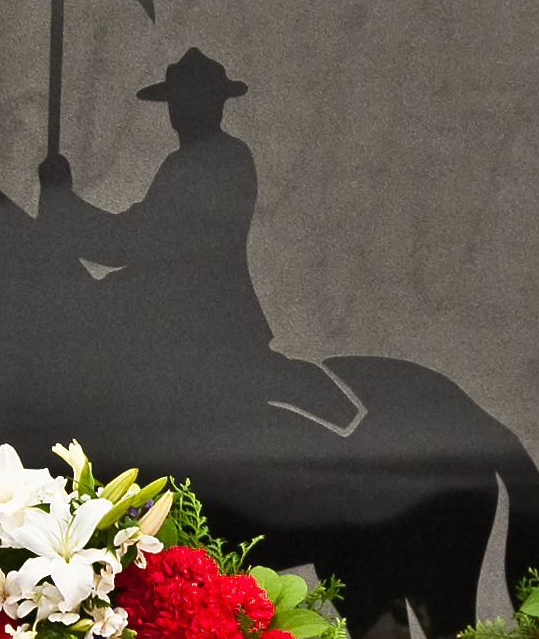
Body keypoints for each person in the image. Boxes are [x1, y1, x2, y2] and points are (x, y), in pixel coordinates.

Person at [38, 47, 349, 428]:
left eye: (186, 102)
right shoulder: (194, 161)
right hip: (183, 316)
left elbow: (136, 238)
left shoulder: (215, 161)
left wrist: (63, 203)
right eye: (176, 103)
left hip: (200, 322)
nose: (178, 112)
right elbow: (140, 236)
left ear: (213, 105)